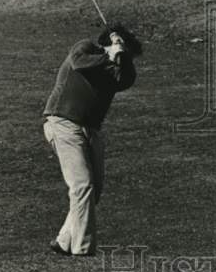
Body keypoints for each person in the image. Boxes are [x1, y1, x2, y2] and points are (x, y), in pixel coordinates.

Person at [42, 23, 142, 256]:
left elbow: (127, 80)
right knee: (82, 185)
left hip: (91, 130)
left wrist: (121, 56)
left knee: (93, 189)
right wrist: (110, 51)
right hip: (63, 122)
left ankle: (65, 239)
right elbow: (78, 62)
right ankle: (83, 249)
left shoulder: (115, 69)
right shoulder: (86, 48)